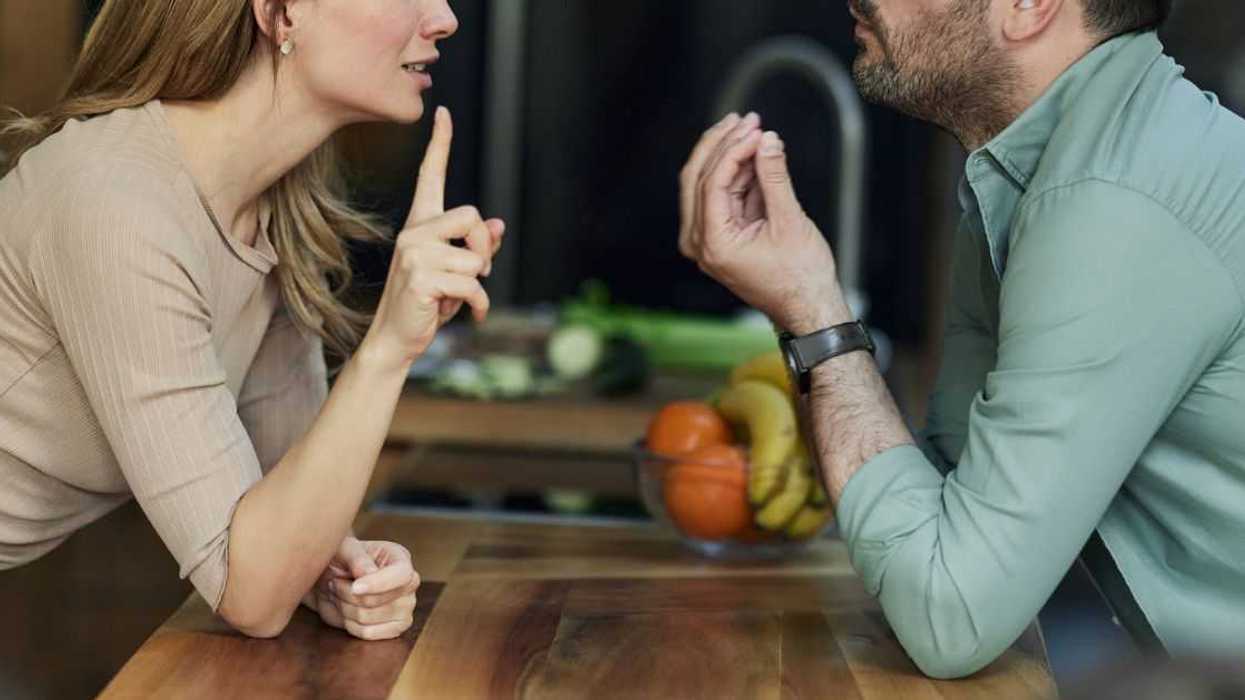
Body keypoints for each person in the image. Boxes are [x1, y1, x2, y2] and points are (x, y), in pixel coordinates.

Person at [680, 0, 1245, 678]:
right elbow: (943, 511)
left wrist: (811, 309)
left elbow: (948, 613)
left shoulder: (1110, 199)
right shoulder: (1037, 164)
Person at [0, 0, 503, 640]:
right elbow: (252, 590)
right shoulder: (116, 207)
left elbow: (279, 516)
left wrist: (342, 573)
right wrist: (391, 346)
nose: (445, 16)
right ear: (282, 14)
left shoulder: (268, 212)